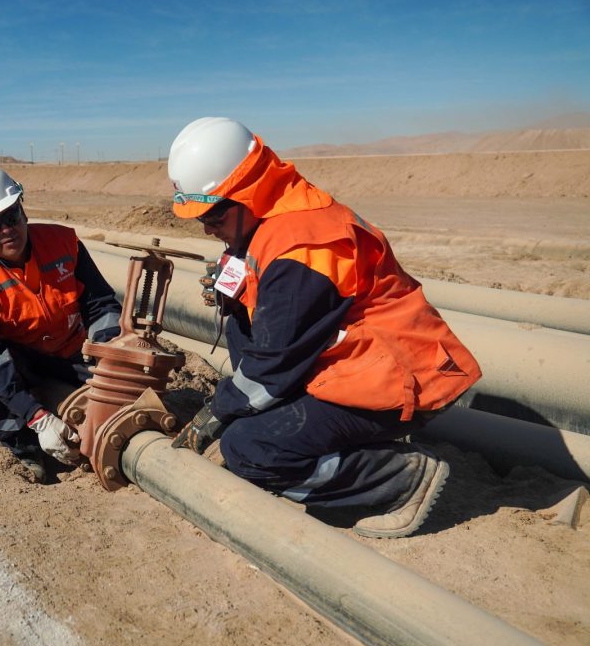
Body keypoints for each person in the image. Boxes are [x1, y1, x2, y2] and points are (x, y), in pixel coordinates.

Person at [167, 118, 481, 538]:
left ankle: (399, 480)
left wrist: (217, 412)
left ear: (244, 195)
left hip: (398, 379)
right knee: (252, 399)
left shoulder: (303, 248)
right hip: (357, 366)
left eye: (212, 215)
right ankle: (334, 444)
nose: (207, 228)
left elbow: (271, 368)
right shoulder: (273, 217)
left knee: (250, 448)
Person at [0, 165, 122, 482]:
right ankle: (26, 453)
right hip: (23, 363)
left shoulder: (63, 243)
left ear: (22, 208)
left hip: (75, 352)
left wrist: (107, 357)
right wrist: (38, 418)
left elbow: (100, 304)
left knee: (116, 397)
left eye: (10, 215)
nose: (5, 229)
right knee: (2, 392)